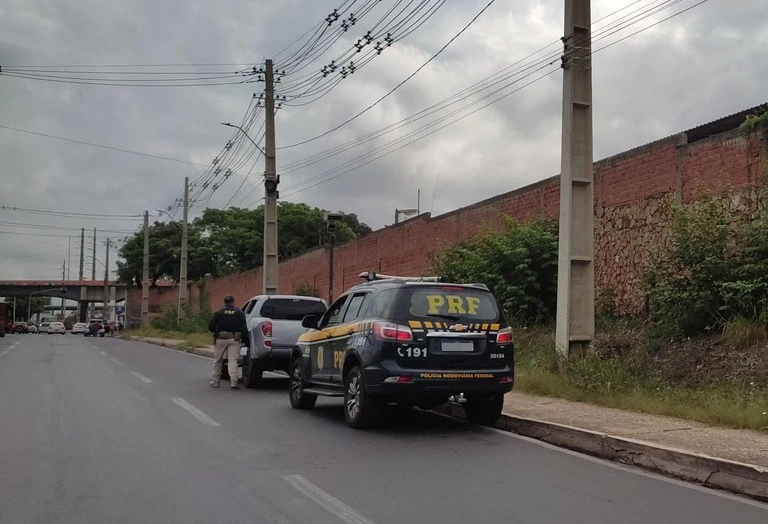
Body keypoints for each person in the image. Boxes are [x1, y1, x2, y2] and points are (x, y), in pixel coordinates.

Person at [208, 295, 247, 389]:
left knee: (218, 360)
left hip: (220, 339)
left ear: (225, 303)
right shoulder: (239, 313)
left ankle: (216, 381)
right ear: (233, 302)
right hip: (234, 339)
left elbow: (211, 325)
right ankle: (234, 381)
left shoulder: (219, 312)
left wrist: (216, 332)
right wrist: (245, 340)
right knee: (232, 360)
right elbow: (244, 328)